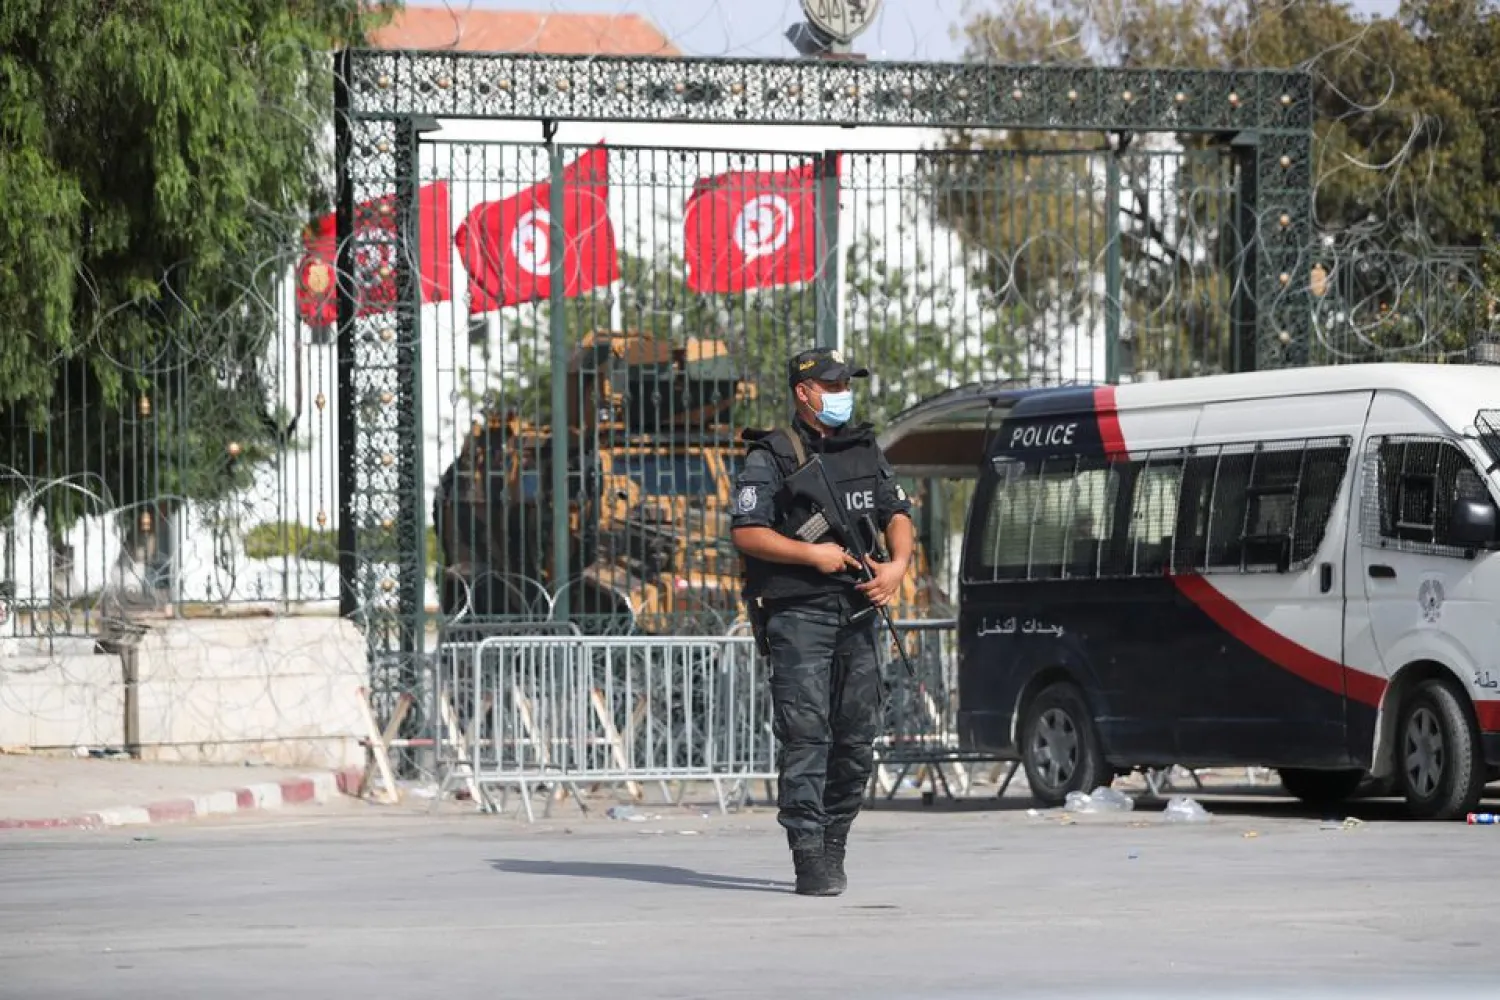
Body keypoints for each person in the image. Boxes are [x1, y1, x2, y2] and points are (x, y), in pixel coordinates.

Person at [730, 346, 914, 897]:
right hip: (800, 613)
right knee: (806, 734)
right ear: (804, 393)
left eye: (844, 386)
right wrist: (813, 556)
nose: (841, 396)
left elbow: (897, 513)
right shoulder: (772, 456)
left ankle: (836, 839)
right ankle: (808, 852)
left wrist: (897, 567)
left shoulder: (863, 449)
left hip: (858, 608)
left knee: (857, 734)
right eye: (831, 387)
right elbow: (747, 531)